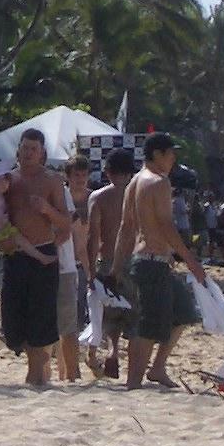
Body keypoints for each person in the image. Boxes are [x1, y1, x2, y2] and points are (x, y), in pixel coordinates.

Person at [111, 133, 206, 391]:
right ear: (157, 154)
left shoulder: (134, 183)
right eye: (170, 153)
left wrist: (117, 267)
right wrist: (191, 260)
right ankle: (133, 382)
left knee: (184, 311)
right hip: (152, 261)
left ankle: (158, 368)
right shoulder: (159, 182)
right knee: (148, 325)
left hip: (147, 260)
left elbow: (126, 229)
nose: (173, 158)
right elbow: (165, 225)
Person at [0, 129, 73, 387]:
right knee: (12, 317)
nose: (28, 153)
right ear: (18, 150)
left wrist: (47, 209)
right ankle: (38, 368)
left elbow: (66, 223)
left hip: (43, 253)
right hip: (14, 255)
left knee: (40, 317)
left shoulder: (52, 180)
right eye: (25, 148)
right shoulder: (8, 179)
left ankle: (35, 374)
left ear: (42, 153)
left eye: (34, 149)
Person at [85, 150, 137, 379]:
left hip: (107, 260)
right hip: (134, 260)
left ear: (108, 172)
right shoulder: (137, 196)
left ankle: (113, 350)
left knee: (110, 315)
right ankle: (134, 368)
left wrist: (90, 270)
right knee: (135, 315)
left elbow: (93, 237)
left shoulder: (98, 197)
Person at [55, 158, 91, 383]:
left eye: (84, 175)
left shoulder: (92, 199)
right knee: (68, 322)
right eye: (76, 175)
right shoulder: (62, 196)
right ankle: (67, 371)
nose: (80, 179)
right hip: (68, 261)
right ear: (68, 176)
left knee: (77, 321)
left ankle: (72, 369)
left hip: (84, 261)